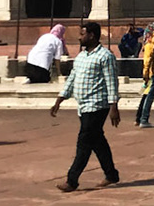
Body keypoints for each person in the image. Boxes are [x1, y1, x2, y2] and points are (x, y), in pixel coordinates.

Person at [51, 22, 120, 191]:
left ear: (92, 36)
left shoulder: (105, 56)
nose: (79, 37)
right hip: (83, 105)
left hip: (97, 105)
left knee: (84, 142)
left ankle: (72, 180)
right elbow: (73, 78)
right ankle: (111, 174)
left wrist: (113, 106)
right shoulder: (82, 56)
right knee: (97, 141)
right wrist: (60, 98)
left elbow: (111, 82)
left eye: (82, 34)